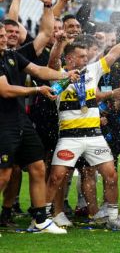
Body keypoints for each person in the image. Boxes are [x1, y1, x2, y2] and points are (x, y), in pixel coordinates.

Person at [45, 24, 120, 230]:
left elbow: (115, 53)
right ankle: (45, 217)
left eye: (85, 56)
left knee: (110, 174)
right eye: (80, 56)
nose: (85, 59)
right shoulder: (59, 75)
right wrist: (59, 43)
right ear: (70, 58)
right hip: (69, 137)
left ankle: (113, 218)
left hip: (94, 135)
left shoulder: (92, 71)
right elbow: (53, 61)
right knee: (56, 176)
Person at [0, 22, 76, 234]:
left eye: (4, 35)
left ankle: (41, 220)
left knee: (38, 167)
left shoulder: (10, 55)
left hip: (20, 121)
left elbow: (38, 70)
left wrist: (65, 75)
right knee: (4, 175)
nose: (4, 39)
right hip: (3, 123)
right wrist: (36, 89)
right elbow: (5, 90)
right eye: (0, 36)